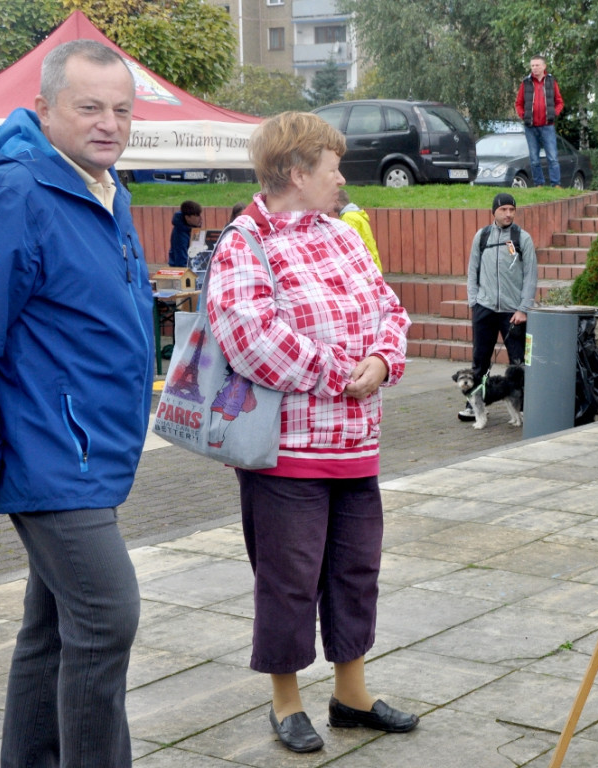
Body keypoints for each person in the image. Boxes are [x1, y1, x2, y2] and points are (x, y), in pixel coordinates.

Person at [206, 111, 414, 753]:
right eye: (332, 167)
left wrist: (383, 359)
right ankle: (285, 700)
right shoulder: (246, 241)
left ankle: (351, 693)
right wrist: (336, 372)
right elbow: (248, 337)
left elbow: (389, 306)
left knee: (356, 572)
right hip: (287, 454)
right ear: (296, 172)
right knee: (288, 578)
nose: (342, 179)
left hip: (356, 446)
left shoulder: (345, 235)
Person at [0, 40, 152, 767]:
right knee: (108, 617)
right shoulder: (17, 191)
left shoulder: (105, 188)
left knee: (52, 629)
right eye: (89, 107)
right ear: (45, 108)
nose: (108, 123)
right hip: (52, 451)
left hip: (92, 449)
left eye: (121, 109)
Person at [460, 192, 537, 421]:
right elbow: (472, 271)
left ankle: (522, 405)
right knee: (480, 359)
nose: (508, 214)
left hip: (514, 312)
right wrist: (474, 301)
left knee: (518, 362)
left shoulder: (522, 238)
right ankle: (473, 404)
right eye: (503, 209)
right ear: (494, 211)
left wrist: (523, 308)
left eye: (512, 209)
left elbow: (531, 276)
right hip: (484, 308)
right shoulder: (482, 236)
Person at [514, 55, 564, 187]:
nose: (534, 68)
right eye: (532, 66)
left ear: (544, 66)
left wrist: (554, 113)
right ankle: (539, 184)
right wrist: (523, 115)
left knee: (552, 157)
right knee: (534, 159)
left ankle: (556, 184)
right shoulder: (525, 83)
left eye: (537, 65)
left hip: (547, 126)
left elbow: (559, 102)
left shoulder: (551, 81)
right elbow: (518, 103)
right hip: (531, 126)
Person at [337, 187, 383, 271]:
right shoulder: (356, 215)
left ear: (337, 201)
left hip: (365, 268)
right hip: (372, 263)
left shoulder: (348, 218)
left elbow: (350, 245)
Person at [168, 199, 203, 266]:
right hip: (182, 270)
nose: (200, 218)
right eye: (197, 215)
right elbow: (181, 258)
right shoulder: (180, 233)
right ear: (187, 217)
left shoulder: (193, 228)